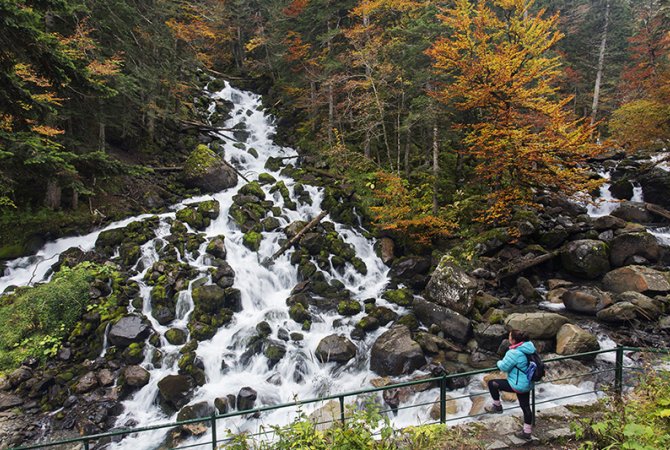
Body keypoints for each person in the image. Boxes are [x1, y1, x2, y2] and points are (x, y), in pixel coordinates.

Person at [485, 329, 536, 441]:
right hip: (528, 382)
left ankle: (497, 406)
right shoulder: (529, 347)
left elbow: (503, 366)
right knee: (526, 407)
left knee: (492, 383)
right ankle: (527, 432)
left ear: (513, 340)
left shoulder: (514, 353)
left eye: (509, 336)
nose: (508, 338)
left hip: (518, 384)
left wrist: (498, 362)